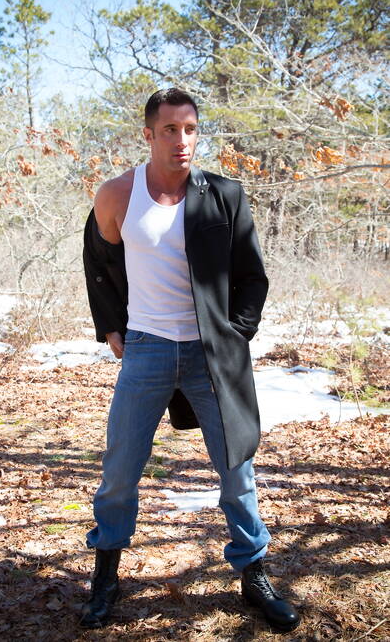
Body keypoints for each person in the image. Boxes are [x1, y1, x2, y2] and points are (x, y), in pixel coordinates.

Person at [82, 88, 300, 632]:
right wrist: (111, 327)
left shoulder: (223, 194)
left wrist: (235, 336)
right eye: (170, 130)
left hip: (212, 355)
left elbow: (252, 277)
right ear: (149, 134)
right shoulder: (117, 194)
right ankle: (106, 576)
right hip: (147, 349)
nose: (182, 140)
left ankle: (253, 573)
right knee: (120, 471)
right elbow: (98, 261)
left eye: (190, 129)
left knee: (236, 469)